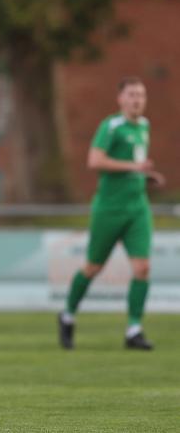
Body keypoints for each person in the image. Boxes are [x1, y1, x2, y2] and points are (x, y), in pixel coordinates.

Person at [58, 77, 164, 351]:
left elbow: (133, 167)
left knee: (143, 267)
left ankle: (134, 330)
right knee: (93, 267)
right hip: (109, 209)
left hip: (137, 208)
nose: (137, 99)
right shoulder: (111, 126)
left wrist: (146, 176)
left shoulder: (144, 125)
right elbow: (95, 161)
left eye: (141, 94)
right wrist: (134, 167)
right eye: (131, 95)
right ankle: (67, 315)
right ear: (120, 99)